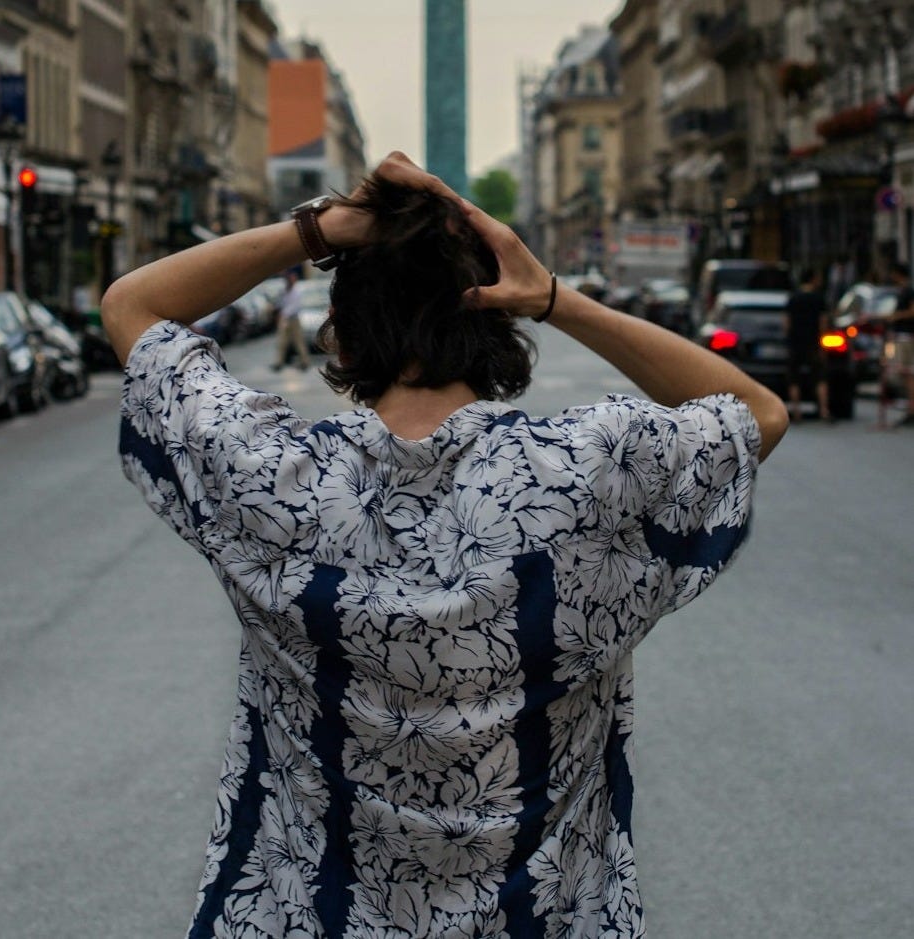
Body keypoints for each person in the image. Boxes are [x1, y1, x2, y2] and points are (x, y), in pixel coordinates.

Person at [102, 152, 788, 938]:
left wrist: (324, 226)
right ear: (495, 322)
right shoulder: (583, 472)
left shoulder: (274, 475)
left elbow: (134, 305)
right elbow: (755, 410)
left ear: (344, 336)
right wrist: (557, 299)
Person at [785, 267, 832, 422]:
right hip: (813, 343)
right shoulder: (819, 299)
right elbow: (823, 323)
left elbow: (787, 322)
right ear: (813, 278)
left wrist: (789, 339)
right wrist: (822, 342)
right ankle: (824, 411)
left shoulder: (793, 298)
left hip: (796, 343)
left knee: (794, 378)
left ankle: (796, 411)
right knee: (819, 377)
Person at [886, 261, 914, 426]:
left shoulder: (909, 290)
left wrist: (895, 316)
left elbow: (912, 311)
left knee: (908, 372)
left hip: (906, 336)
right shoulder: (903, 290)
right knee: (904, 372)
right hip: (902, 335)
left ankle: (911, 409)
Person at [270, 266, 311, 371]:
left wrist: (284, 315)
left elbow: (294, 306)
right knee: (282, 342)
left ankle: (304, 361)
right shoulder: (285, 290)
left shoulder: (296, 291)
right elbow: (281, 303)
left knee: (298, 341)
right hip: (285, 318)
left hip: (293, 318)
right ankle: (279, 362)